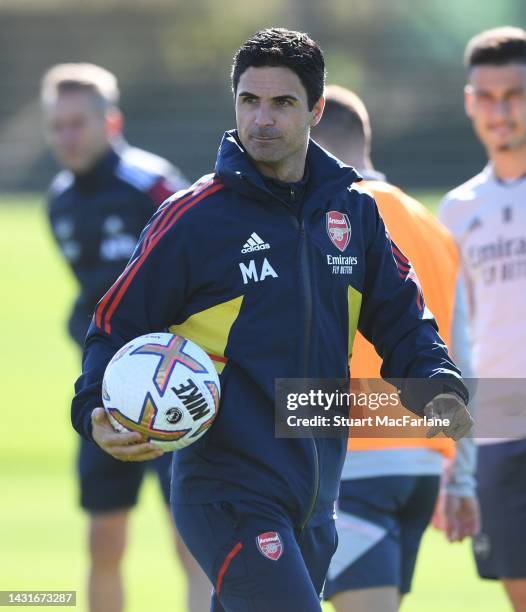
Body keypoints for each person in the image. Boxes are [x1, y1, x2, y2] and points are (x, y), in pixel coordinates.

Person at [71, 29, 472, 612]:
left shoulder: (353, 212)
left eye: (281, 103)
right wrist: (92, 407)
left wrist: (436, 378)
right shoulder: (193, 218)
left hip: (315, 498)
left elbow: (403, 316)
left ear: (315, 109)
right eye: (248, 101)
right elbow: (113, 323)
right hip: (226, 493)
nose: (262, 119)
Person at [41, 63, 209, 612]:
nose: (67, 136)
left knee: (188, 535)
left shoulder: (153, 186)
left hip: (163, 388)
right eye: (56, 125)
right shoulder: (59, 201)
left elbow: (199, 274)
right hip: (101, 395)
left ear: (110, 121)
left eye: (77, 123)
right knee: (103, 539)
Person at [312, 85, 479, 612]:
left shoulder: (333, 215)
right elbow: (462, 355)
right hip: (423, 466)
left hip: (353, 458)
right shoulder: (432, 224)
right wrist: (464, 472)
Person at [439, 27, 526, 612]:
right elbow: (452, 339)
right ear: (470, 102)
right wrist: (454, 460)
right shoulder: (456, 210)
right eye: (487, 96)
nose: (501, 111)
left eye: (516, 94)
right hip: (495, 427)